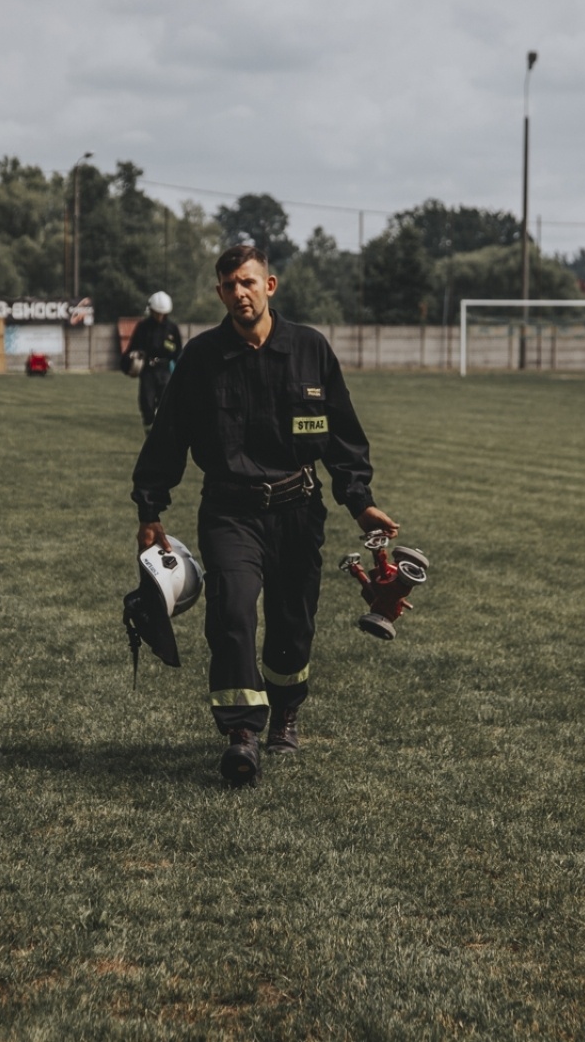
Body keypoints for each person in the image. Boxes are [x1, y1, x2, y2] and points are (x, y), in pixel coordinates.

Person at [131, 244, 399, 788]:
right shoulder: (202, 358)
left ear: (270, 285)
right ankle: (242, 734)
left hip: (299, 510)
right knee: (231, 612)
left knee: (292, 625)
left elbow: (343, 436)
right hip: (229, 511)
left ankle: (286, 711)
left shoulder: (309, 350)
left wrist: (359, 500)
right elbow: (167, 437)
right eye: (229, 285)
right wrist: (150, 508)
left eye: (248, 282)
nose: (240, 293)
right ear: (219, 292)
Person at [123, 291, 184, 431]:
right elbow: (132, 348)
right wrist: (129, 363)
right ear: (151, 311)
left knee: (166, 404)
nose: (160, 316)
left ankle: (163, 433)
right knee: (147, 403)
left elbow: (178, 352)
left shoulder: (172, 329)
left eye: (163, 313)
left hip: (164, 370)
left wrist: (182, 371)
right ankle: (149, 431)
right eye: (157, 312)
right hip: (148, 371)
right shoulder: (143, 327)